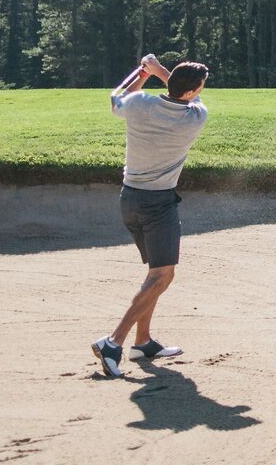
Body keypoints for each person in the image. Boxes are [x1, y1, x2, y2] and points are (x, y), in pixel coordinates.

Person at [91, 53, 209, 378]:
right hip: (158, 206)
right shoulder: (194, 118)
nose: (201, 92)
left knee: (156, 274)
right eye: (200, 87)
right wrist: (161, 72)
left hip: (129, 199)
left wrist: (143, 73)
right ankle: (113, 342)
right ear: (191, 93)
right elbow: (188, 96)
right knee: (163, 276)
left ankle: (143, 341)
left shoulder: (139, 104)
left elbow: (116, 98)